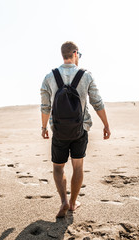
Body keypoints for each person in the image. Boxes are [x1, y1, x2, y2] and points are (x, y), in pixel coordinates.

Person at [40, 41, 111, 218]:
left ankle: (63, 200)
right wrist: (106, 124)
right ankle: (73, 203)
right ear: (75, 53)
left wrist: (44, 127)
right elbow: (97, 102)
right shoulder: (86, 76)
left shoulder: (50, 77)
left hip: (59, 130)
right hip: (80, 129)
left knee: (58, 167)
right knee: (78, 166)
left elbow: (45, 107)